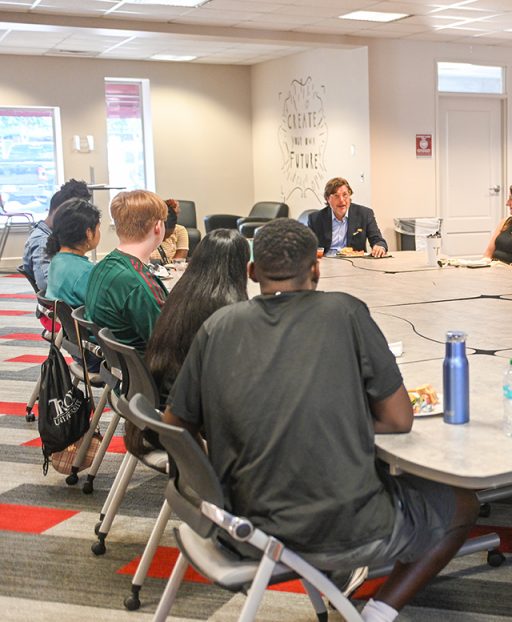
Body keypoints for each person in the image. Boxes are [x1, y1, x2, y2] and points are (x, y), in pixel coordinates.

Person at [163, 219, 477, 621]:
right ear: (316, 267)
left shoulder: (217, 326)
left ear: (253, 272)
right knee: (461, 503)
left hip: (241, 525)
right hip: (344, 530)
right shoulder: (345, 312)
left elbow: (174, 424)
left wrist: (219, 476)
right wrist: (339, 424)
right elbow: (400, 419)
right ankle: (379, 612)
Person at [125, 229, 251, 459]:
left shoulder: (183, 291)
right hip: (187, 419)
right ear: (242, 266)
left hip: (159, 407)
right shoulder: (228, 307)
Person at [85, 190, 168, 351]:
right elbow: (170, 344)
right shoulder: (137, 283)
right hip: (148, 363)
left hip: (115, 361)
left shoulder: (102, 266)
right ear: (158, 227)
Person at [22, 179, 92, 292]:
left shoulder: (54, 235)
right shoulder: (42, 241)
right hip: (62, 300)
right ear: (58, 211)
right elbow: (45, 284)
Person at [308, 177, 388, 257]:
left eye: (345, 195)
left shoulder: (364, 214)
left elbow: (377, 239)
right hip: (327, 261)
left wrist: (379, 247)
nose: (341, 200)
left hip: (355, 261)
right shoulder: (315, 219)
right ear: (328, 199)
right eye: (336, 196)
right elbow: (307, 246)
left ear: (349, 196)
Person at [44, 198, 101, 308]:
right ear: (89, 233)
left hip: (62, 318)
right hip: (81, 318)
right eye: (98, 229)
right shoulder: (86, 272)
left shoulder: (56, 259)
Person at [150, 198, 189, 264]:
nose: (164, 239)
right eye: (164, 236)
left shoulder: (180, 230)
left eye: (168, 235)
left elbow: (179, 259)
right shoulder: (145, 234)